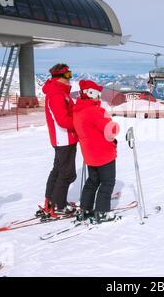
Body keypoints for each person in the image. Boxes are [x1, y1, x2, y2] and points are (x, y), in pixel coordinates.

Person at [73, 80, 120, 224]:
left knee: (93, 181)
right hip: (103, 153)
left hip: (89, 154)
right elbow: (111, 130)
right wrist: (111, 121)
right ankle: (102, 212)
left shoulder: (78, 110)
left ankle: (85, 210)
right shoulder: (94, 111)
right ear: (89, 94)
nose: (98, 97)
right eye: (96, 93)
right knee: (107, 182)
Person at [41, 63, 78, 218]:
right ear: (59, 78)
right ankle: (60, 206)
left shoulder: (59, 92)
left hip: (63, 139)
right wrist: (79, 122)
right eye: (67, 76)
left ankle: (51, 202)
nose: (70, 79)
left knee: (58, 171)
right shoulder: (57, 94)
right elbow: (63, 120)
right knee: (66, 174)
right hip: (64, 138)